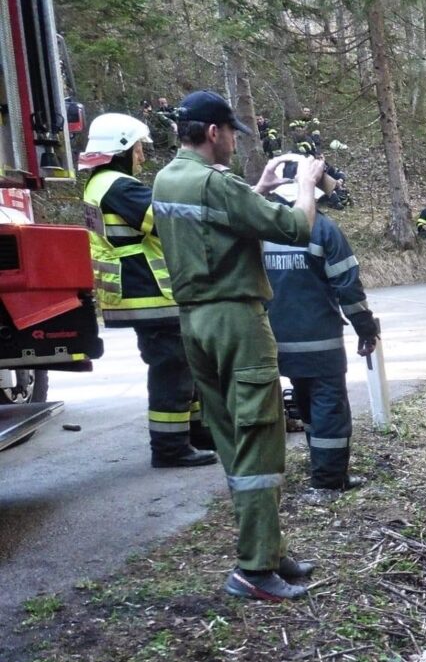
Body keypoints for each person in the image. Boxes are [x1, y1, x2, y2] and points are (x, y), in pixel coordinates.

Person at [152, 89, 325, 602]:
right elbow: (295, 227)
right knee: (260, 439)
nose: (233, 141)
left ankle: (267, 548)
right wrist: (306, 186)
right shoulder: (217, 183)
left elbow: (214, 222)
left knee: (232, 437)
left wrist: (258, 187)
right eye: (231, 132)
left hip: (196, 323)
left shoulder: (168, 178)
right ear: (213, 132)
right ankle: (254, 568)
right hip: (236, 321)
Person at [79, 113, 216, 469]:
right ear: (122, 148)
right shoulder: (118, 186)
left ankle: (197, 432)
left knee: (183, 363)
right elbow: (167, 222)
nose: (142, 155)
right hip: (148, 293)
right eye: (139, 147)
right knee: (172, 368)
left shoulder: (99, 184)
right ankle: (170, 448)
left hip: (140, 292)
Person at [261, 165, 379, 494]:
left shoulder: (261, 227)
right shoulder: (324, 229)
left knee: (305, 398)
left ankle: (320, 464)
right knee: (329, 406)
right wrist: (365, 328)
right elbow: (348, 287)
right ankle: (329, 480)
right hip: (319, 340)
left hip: (272, 339)